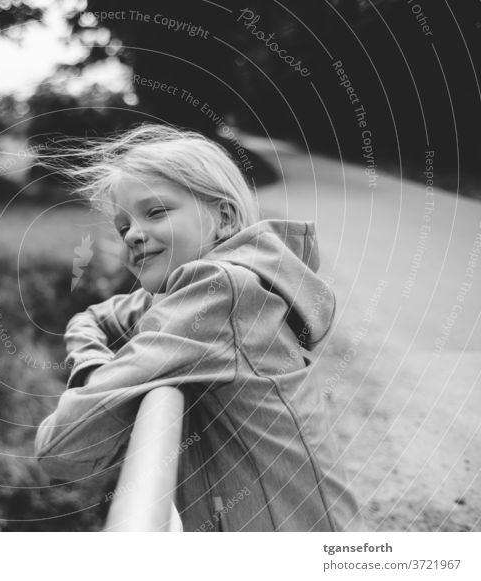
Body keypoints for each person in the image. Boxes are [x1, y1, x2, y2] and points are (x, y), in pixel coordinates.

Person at [34, 124, 363, 531]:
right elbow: (93, 317)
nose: (134, 234)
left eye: (156, 211)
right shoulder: (188, 293)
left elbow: (61, 447)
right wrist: (98, 371)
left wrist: (92, 374)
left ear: (223, 217)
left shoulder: (219, 291)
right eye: (123, 227)